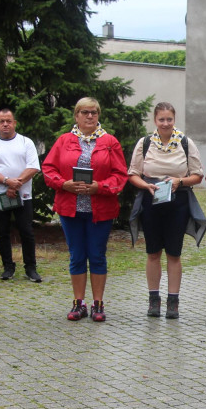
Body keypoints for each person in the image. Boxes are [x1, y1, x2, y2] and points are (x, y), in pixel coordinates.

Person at [42, 97, 128, 322]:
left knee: (97, 256)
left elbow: (120, 175)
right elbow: (48, 169)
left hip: (100, 209)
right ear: (77, 115)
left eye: (94, 112)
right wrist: (64, 184)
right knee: (77, 256)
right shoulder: (63, 141)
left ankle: (98, 304)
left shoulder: (110, 141)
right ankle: (78, 303)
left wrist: (100, 186)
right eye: (85, 112)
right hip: (71, 208)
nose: (90, 116)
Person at [127, 102, 204, 319]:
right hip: (151, 201)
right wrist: (145, 185)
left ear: (174, 119)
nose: (165, 123)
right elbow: (133, 173)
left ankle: (173, 301)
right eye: (161, 119)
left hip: (177, 202)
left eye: (169, 119)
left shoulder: (186, 143)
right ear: (155, 121)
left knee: (174, 253)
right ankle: (154, 300)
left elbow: (198, 175)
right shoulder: (145, 143)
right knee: (153, 252)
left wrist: (180, 180)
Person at [0, 108, 41, 282]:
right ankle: (8, 267)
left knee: (26, 231)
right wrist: (8, 182)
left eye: (9, 121)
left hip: (23, 195)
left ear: (14, 123)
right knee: (2, 232)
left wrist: (16, 184)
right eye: (2, 121)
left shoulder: (26, 142)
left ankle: (31, 268)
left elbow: (33, 167)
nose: (6, 124)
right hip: (0, 195)